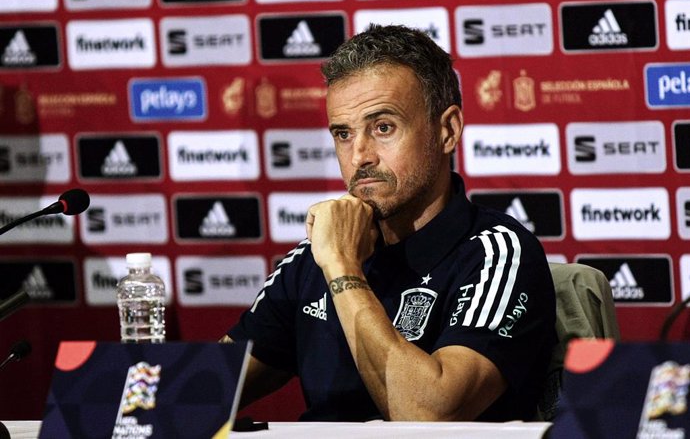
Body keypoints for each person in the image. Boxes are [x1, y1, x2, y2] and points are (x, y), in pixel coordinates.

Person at [222, 24, 556, 422]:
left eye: (383, 128)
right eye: (343, 134)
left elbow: (428, 416)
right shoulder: (313, 259)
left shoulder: (497, 254)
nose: (360, 155)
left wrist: (343, 269)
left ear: (447, 131)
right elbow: (199, 393)